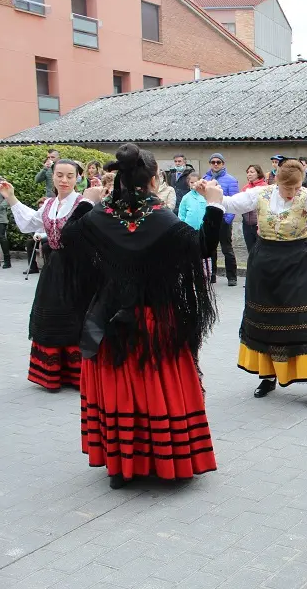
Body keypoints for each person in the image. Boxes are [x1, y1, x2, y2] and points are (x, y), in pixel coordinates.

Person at [55, 143, 223, 489]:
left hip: (108, 319)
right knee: (157, 386)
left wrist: (87, 200)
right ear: (154, 179)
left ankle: (120, 466)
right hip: (155, 319)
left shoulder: (100, 215)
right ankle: (169, 461)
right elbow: (202, 246)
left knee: (119, 389)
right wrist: (215, 204)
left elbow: (66, 238)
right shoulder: (161, 217)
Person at [220, 160, 307, 406]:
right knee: (266, 320)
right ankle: (268, 376)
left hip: (298, 264)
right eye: (285, 188)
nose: (290, 193)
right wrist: (213, 194)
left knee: (306, 321)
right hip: (265, 264)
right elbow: (230, 203)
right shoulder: (260, 194)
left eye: (295, 188)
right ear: (276, 180)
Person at [1, 160, 86, 391]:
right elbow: (30, 223)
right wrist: (11, 197)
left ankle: (79, 375)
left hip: (79, 268)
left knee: (75, 315)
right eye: (59, 175)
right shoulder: (49, 204)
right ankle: (52, 374)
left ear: (78, 178)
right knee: (50, 315)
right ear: (53, 176)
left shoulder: (84, 203)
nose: (64, 180)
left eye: (70, 176)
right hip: (54, 267)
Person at [203, 154, 239, 286]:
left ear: (223, 163)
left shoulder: (231, 180)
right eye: (213, 162)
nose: (215, 164)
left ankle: (232, 277)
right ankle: (212, 274)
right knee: (210, 248)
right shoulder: (205, 179)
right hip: (211, 218)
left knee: (227, 249)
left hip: (224, 219)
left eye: (218, 162)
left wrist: (228, 220)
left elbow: (234, 200)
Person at [241, 165, 267, 255]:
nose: (249, 174)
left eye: (252, 172)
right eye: (248, 172)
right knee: (250, 251)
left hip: (260, 225)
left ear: (258, 173)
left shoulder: (265, 187)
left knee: (261, 251)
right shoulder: (245, 188)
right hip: (247, 224)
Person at [0, 187, 10, 269]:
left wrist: (0, 207)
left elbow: (8, 198)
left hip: (1, 219)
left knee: (1, 237)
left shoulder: (1, 184)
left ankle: (7, 261)